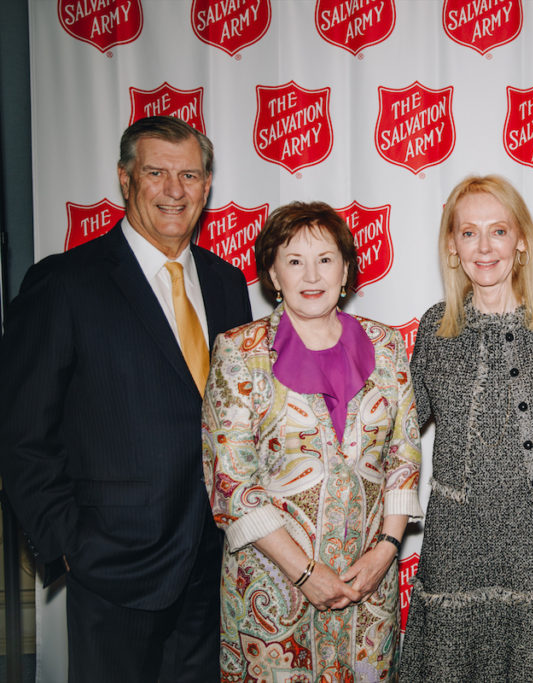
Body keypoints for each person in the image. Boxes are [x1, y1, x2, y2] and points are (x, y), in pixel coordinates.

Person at [0, 115, 252, 681]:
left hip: (214, 565)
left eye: (189, 175)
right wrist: (68, 544)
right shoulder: (64, 284)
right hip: (114, 566)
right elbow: (22, 434)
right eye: (156, 173)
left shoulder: (227, 284)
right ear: (125, 178)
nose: (174, 190)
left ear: (207, 186)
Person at [202, 201, 422, 681]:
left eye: (325, 259)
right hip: (273, 588)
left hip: (368, 586)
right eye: (294, 260)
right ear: (273, 275)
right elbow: (232, 483)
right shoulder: (239, 351)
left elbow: (404, 457)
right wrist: (305, 573)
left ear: (345, 268)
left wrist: (385, 550)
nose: (311, 274)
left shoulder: (387, 347)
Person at [399, 175, 533, 681]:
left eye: (498, 231)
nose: (484, 247)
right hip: (455, 538)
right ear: (452, 246)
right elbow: (399, 430)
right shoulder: (434, 327)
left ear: (522, 241)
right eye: (469, 233)